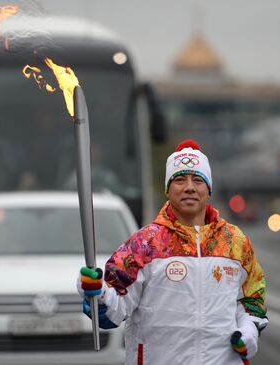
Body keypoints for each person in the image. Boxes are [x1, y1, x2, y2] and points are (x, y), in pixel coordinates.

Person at [77, 139, 267, 365]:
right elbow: (115, 308)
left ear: (208, 189)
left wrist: (248, 333)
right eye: (180, 180)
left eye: (197, 180)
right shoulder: (144, 244)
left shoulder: (235, 242)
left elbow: (252, 301)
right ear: (168, 189)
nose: (189, 187)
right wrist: (96, 292)